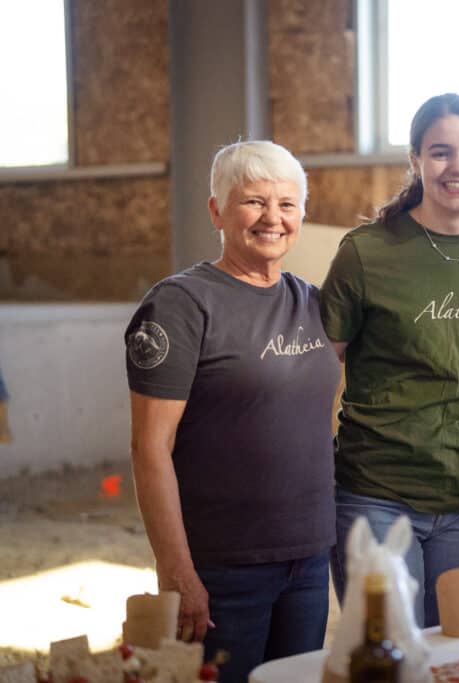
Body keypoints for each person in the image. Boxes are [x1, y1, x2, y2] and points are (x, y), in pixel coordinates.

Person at [125, 141, 339, 683]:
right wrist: (177, 571)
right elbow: (150, 447)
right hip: (223, 566)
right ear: (217, 211)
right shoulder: (181, 304)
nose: (273, 218)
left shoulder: (312, 302)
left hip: (308, 558)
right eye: (253, 202)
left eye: (287, 204)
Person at [320, 93, 459, 628]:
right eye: (440, 152)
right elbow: (313, 377)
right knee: (386, 653)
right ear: (415, 160)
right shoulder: (366, 252)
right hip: (375, 494)